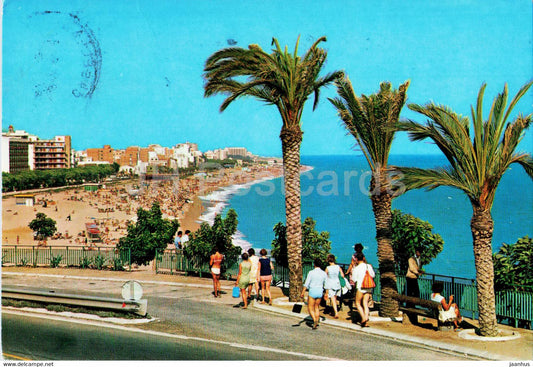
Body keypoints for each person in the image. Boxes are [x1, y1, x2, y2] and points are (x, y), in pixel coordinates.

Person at [300, 258, 327, 330]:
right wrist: (326, 293)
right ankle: (317, 320)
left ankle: (314, 320)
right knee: (317, 307)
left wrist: (302, 292)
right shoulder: (324, 273)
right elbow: (326, 284)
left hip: (312, 291)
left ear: (314, 264)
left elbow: (306, 283)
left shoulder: (311, 272)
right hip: (320, 291)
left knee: (310, 308)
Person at [352, 252, 375, 327]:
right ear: (363, 258)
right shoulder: (368, 266)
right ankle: (366, 318)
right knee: (365, 303)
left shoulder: (356, 268)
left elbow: (354, 279)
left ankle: (363, 317)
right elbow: (373, 275)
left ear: (357, 259)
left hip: (360, 287)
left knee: (357, 303)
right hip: (368, 287)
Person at [324, 254, 344, 319]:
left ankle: (335, 312)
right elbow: (342, 275)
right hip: (337, 283)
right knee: (335, 298)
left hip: (330, 284)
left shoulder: (328, 268)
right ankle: (334, 310)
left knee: (332, 299)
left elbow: (324, 276)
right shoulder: (338, 267)